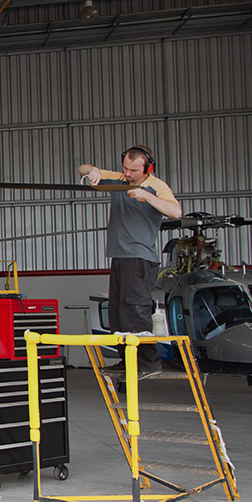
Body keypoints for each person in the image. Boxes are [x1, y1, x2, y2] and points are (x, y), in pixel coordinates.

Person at [78, 145, 182, 377]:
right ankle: (127, 360)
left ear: (148, 168)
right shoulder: (119, 179)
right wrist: (92, 170)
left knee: (136, 310)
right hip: (119, 256)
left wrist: (145, 194)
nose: (127, 174)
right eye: (125, 168)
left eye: (133, 170)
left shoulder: (156, 186)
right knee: (118, 312)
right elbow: (81, 168)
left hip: (140, 257)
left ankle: (148, 362)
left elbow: (176, 212)